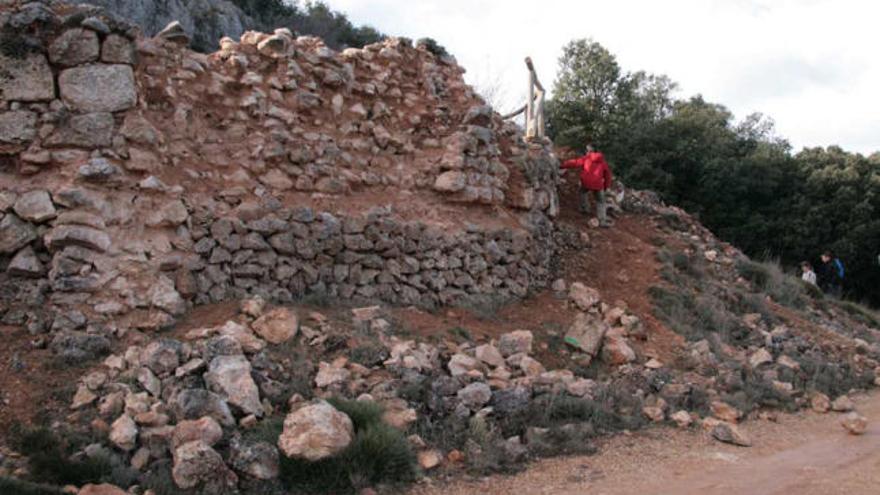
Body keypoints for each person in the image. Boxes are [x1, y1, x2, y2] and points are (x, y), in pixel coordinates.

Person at [561, 143, 613, 227]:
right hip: (598, 184)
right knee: (601, 201)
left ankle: (584, 209)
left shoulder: (586, 158)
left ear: (589, 151)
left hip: (586, 182)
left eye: (587, 150)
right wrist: (606, 187)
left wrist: (562, 165)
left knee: (582, 192)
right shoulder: (602, 162)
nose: (586, 152)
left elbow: (575, 163)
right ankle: (602, 220)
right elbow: (608, 175)